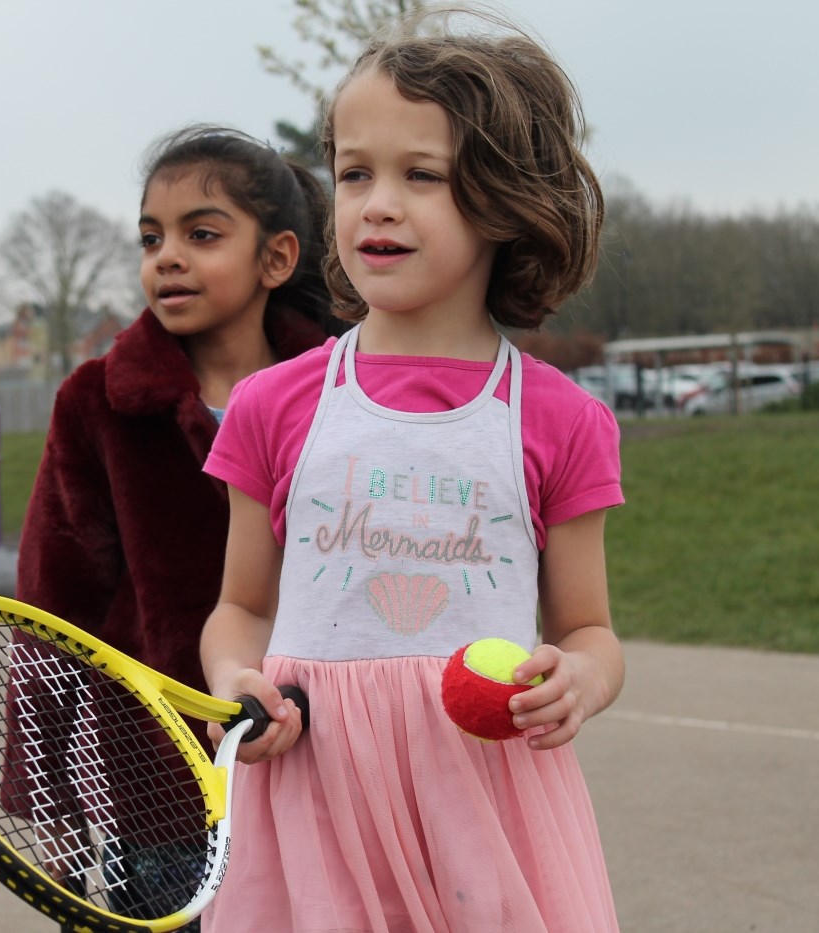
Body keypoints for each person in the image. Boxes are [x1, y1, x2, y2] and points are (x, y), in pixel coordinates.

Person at [198, 8, 625, 931]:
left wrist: (579, 681)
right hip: (313, 802)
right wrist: (236, 680)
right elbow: (240, 608)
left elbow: (591, 629)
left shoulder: (561, 418)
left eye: (420, 175)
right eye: (354, 173)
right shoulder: (275, 404)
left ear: (507, 203)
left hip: (487, 809)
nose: (375, 203)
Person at [12, 124, 342, 931]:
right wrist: (50, 791)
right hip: (158, 784)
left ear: (277, 259)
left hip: (332, 763)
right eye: (151, 237)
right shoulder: (95, 401)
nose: (167, 257)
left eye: (202, 233)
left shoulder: (351, 388)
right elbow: (56, 600)